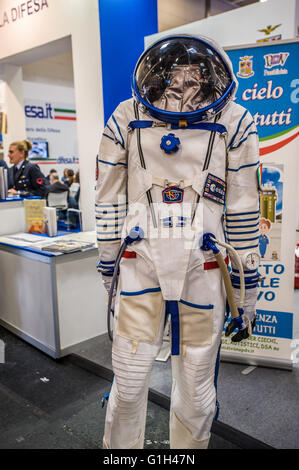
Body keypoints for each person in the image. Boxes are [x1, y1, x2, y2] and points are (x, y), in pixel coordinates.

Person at [95, 35, 260, 449]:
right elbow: (108, 199)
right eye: (176, 72)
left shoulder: (235, 121)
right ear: (159, 73)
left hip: (204, 264)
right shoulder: (125, 118)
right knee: (129, 384)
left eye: (196, 72)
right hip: (138, 260)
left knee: (197, 389)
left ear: (211, 74)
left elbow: (243, 208)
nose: (185, 79)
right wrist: (107, 264)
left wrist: (247, 290)